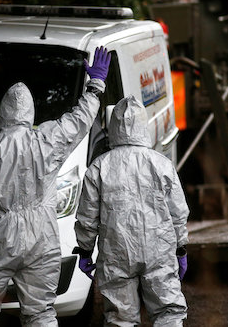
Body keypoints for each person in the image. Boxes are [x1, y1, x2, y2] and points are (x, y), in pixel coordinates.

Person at [0, 46, 111, 326]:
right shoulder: (48, 140)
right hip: (42, 240)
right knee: (40, 312)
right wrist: (95, 86)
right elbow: (79, 120)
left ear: (1, 114)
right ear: (30, 114)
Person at [74, 95, 189, 326]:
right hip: (159, 248)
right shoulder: (161, 164)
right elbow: (178, 212)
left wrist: (85, 251)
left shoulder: (99, 166)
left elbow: (87, 217)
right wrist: (181, 247)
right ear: (143, 126)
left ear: (113, 126)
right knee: (168, 312)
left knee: (120, 318)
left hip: (117, 251)